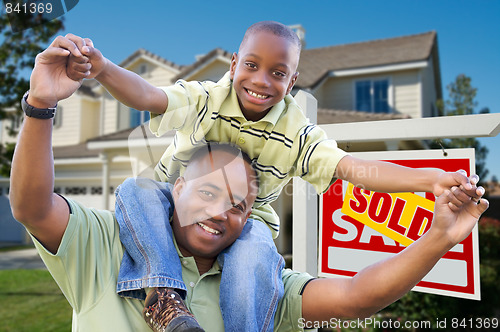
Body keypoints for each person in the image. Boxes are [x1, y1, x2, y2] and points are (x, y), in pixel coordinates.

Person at [10, 37, 489, 332]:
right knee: (135, 191)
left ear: (294, 80)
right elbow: (151, 97)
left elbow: (353, 173)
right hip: (154, 211)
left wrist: (430, 187)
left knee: (258, 246)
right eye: (207, 193)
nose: (262, 81)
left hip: (255, 235)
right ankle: (162, 296)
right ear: (234, 62)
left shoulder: (295, 137)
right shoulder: (107, 246)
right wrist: (96, 71)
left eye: (278, 73)